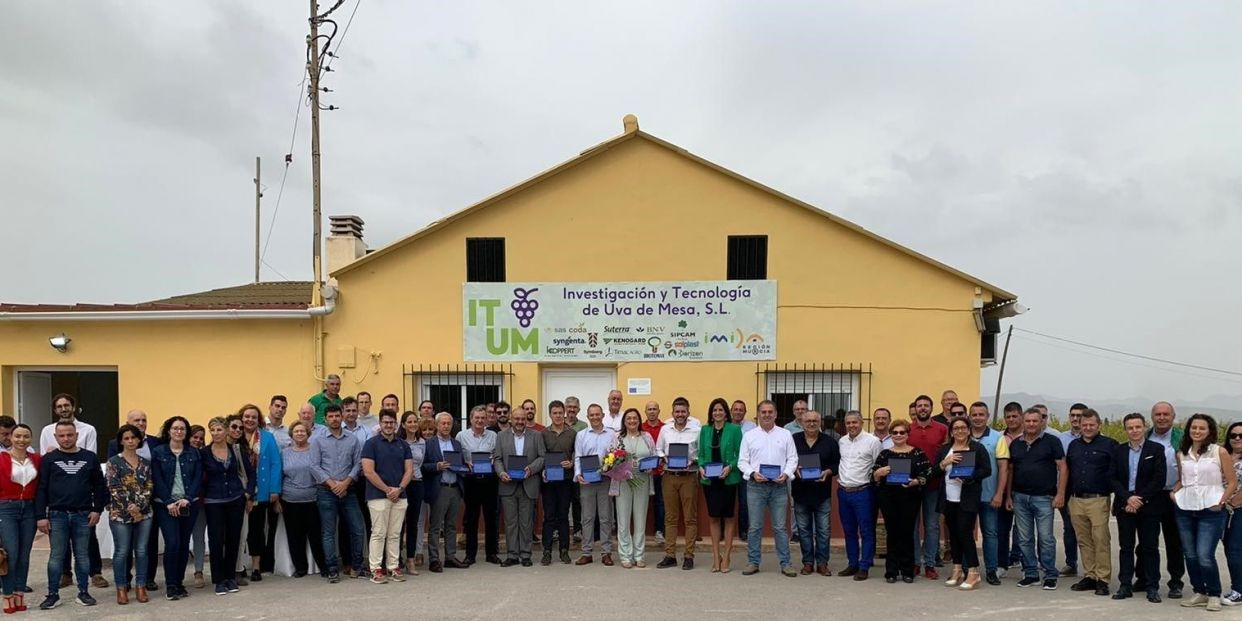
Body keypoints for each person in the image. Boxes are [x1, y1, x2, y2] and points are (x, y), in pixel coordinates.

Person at [34, 419, 107, 609]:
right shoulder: (49, 460)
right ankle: (52, 594)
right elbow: (41, 488)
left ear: (77, 435)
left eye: (70, 435)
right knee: (56, 556)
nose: (66, 438)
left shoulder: (89, 457)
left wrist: (97, 509)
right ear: (56, 437)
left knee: (82, 556)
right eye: (62, 435)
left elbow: (100, 486)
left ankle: (83, 592)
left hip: (83, 515)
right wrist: (41, 515)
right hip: (57, 515)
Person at [1172, 414, 1238, 611]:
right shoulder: (1181, 453)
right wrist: (1173, 493)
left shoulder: (1219, 452)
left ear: (1210, 431)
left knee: (1204, 554)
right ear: (1188, 430)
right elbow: (1182, 480)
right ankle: (1200, 591)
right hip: (1185, 508)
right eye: (1194, 428)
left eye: (1202, 428)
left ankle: (1214, 594)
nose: (1197, 431)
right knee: (1190, 555)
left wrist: (1222, 500)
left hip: (1211, 509)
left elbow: (1232, 481)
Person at [1110, 413, 1168, 603]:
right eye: (1130, 427)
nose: (1134, 431)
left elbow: (1158, 479)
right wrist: (1128, 498)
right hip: (1124, 506)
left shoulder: (1156, 449)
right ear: (1125, 429)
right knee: (1125, 547)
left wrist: (1139, 499)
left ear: (1144, 427)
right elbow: (1113, 478)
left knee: (1150, 548)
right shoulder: (1118, 451)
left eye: (1137, 427)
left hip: (1149, 506)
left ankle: (1152, 587)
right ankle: (1125, 585)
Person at [1007, 407, 1067, 590]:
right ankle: (1031, 573)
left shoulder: (1052, 442)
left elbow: (1062, 467)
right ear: (1023, 422)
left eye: (1035, 421)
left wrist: (1060, 493)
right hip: (1020, 497)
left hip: (1044, 498)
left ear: (1042, 422)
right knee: (1024, 538)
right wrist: (1009, 495)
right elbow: (1010, 471)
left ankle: (1050, 574)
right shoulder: (1016, 444)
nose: (1031, 424)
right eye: (1028, 421)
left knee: (1046, 538)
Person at [738, 400, 798, 576]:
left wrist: (786, 474)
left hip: (779, 487)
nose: (766, 415)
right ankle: (753, 562)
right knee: (755, 527)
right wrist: (752, 473)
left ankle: (785, 563)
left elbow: (792, 458)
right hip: (756, 486)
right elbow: (742, 460)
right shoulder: (749, 436)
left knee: (780, 527)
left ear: (776, 414)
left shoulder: (786, 434)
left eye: (770, 412)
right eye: (763, 412)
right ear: (758, 414)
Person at [931, 416, 991, 590]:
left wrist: (968, 476)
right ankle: (957, 569)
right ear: (951, 431)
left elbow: (986, 470)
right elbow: (934, 472)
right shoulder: (945, 450)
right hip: (949, 499)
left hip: (968, 499)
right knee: (954, 535)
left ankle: (973, 572)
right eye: (956, 428)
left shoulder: (977, 448)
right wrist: (945, 463)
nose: (960, 431)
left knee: (965, 534)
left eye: (963, 427)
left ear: (968, 429)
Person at [1064, 408, 1118, 596]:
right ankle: (1090, 575)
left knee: (1101, 539)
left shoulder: (1110, 445)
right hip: (1076, 499)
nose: (1087, 428)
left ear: (1099, 425)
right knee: (1084, 540)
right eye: (1084, 425)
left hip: (1098, 499)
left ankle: (1102, 579)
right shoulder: (1074, 446)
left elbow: (1117, 473)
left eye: (1091, 425)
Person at [309, 403, 366, 582]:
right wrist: (333, 484)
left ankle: (357, 566)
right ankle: (332, 568)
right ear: (325, 419)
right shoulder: (317, 440)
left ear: (341, 417)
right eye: (330, 416)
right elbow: (314, 466)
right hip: (326, 491)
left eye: (337, 416)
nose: (334, 419)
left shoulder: (352, 439)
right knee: (328, 532)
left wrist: (346, 482)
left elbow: (358, 463)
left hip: (348, 490)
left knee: (357, 529)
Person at [201, 416, 255, 596]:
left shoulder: (236, 450)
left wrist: (247, 492)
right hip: (213, 501)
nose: (216, 433)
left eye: (219, 429)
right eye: (212, 430)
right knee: (216, 541)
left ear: (226, 431)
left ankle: (231, 577)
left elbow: (250, 473)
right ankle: (218, 580)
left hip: (235, 499)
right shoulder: (204, 453)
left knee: (234, 539)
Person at [874, 420, 932, 583]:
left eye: (902, 432)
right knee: (892, 533)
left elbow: (927, 472)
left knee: (907, 533)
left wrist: (916, 481)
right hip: (888, 499)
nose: (898, 435)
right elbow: (874, 476)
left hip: (910, 498)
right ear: (891, 435)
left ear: (907, 434)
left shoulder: (917, 453)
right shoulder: (884, 454)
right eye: (895, 432)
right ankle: (891, 571)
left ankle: (907, 570)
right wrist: (879, 472)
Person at [360, 410, 414, 583]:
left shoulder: (403, 445)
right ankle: (375, 569)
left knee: (395, 534)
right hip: (378, 496)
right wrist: (387, 490)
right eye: (385, 422)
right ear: (380, 424)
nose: (389, 425)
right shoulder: (371, 444)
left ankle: (393, 567)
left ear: (396, 424)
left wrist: (399, 489)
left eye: (392, 422)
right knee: (378, 533)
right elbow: (368, 471)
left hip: (400, 495)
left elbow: (409, 470)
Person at [151, 417, 201, 601]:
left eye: (182, 429)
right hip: (166, 506)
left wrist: (188, 499)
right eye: (175, 428)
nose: (179, 432)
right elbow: (157, 479)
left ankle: (179, 583)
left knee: (183, 544)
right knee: (172, 543)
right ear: (169, 431)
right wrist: (168, 501)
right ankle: (171, 585)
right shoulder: (158, 452)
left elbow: (197, 478)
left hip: (188, 504)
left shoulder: (194, 453)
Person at [1142, 401, 1186, 599]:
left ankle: (1175, 582)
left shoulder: (1182, 438)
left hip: (1174, 494)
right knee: (1146, 541)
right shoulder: (1145, 436)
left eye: (1165, 414)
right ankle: (1144, 578)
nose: (1161, 418)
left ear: (1173, 417)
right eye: (1158, 414)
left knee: (1173, 542)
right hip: (1151, 495)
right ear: (1152, 417)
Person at [105, 424, 154, 605]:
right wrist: (131, 508)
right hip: (120, 514)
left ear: (139, 440)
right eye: (126, 438)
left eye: (134, 438)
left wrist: (139, 508)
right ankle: (121, 587)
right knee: (122, 551)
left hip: (144, 515)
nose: (131, 441)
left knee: (141, 551)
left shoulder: (146, 463)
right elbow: (114, 488)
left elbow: (149, 486)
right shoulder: (113, 462)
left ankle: (140, 586)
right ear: (121, 441)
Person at [492, 405, 545, 567]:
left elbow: (542, 457)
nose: (520, 421)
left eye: (522, 418)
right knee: (511, 522)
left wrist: (532, 469)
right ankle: (512, 555)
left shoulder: (536, 436)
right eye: (517, 418)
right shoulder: (501, 436)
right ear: (511, 419)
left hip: (528, 483)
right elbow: (498, 458)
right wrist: (501, 473)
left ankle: (526, 554)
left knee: (526, 522)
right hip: (508, 484)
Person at [965, 402, 1010, 586]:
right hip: (966, 496)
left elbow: (1003, 467)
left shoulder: (997, 438)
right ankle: (969, 569)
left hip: (989, 495)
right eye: (974, 414)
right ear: (969, 416)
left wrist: (999, 493)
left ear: (988, 416)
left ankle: (991, 571)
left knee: (990, 533)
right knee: (966, 533)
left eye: (981, 414)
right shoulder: (963, 436)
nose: (977, 418)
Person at [791, 406, 839, 576]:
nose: (811, 423)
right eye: (808, 421)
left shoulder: (830, 442)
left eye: (815, 421)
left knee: (823, 531)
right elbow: (786, 460)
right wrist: (794, 468)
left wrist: (828, 471)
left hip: (822, 494)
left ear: (820, 423)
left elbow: (837, 464)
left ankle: (823, 563)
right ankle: (808, 563)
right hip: (800, 493)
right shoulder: (793, 440)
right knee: (803, 531)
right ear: (802, 423)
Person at [835, 410, 882, 580]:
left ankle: (865, 565)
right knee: (849, 531)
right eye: (848, 423)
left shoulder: (873, 441)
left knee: (866, 530)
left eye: (854, 422)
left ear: (861, 423)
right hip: (844, 492)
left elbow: (878, 466)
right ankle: (852, 563)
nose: (851, 426)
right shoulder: (842, 441)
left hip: (863, 492)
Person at [239, 403, 283, 581]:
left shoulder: (267, 437)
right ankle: (239, 565)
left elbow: (275, 464)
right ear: (241, 418)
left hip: (261, 491)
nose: (250, 420)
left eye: (254, 417)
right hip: (238, 493)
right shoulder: (235, 436)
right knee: (239, 531)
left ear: (259, 420)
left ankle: (256, 567)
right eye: (247, 416)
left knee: (257, 529)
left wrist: (275, 489)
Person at [655, 397, 699, 570]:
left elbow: (700, 452)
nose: (680, 414)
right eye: (677, 411)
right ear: (672, 413)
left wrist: (692, 460)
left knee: (690, 518)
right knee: (670, 518)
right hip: (669, 476)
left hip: (688, 476)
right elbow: (658, 448)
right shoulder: (665, 429)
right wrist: (663, 457)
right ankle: (670, 554)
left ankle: (689, 556)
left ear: (688, 412)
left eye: (683, 411)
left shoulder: (697, 430)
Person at [698, 399, 742, 573]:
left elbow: (741, 455)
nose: (717, 413)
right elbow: (701, 454)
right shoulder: (705, 430)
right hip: (710, 480)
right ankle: (716, 556)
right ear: (711, 413)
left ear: (726, 412)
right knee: (714, 517)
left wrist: (730, 467)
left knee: (729, 517)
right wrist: (700, 466)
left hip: (728, 479)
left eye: (721, 410)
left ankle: (727, 555)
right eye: (714, 410)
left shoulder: (735, 430)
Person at [908, 394, 948, 579]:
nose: (922, 408)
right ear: (915, 409)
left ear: (932, 408)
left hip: (934, 485)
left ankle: (930, 564)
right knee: (913, 526)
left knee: (932, 526)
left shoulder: (942, 429)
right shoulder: (907, 429)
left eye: (926, 405)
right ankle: (915, 562)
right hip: (911, 485)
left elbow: (947, 454)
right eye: (919, 405)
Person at [0, 424, 39, 613]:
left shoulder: (36, 459)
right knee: (11, 554)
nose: (21, 440)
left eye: (25, 436)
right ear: (11, 437)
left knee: (24, 556)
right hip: (6, 508)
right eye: (17, 436)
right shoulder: (1, 459)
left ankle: (19, 594)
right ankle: (7, 595)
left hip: (29, 509)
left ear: (30, 439)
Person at [281, 420, 327, 578]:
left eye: (302, 431)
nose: (299, 433)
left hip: (313, 499)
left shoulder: (315, 450)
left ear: (308, 434)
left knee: (316, 536)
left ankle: (324, 566)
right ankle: (300, 567)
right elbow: (280, 475)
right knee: (295, 536)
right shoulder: (285, 453)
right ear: (291, 434)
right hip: (289, 500)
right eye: (296, 431)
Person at [456, 405, 500, 565]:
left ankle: (491, 553)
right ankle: (470, 554)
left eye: (483, 418)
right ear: (471, 419)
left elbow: (498, 454)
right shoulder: (461, 436)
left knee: (491, 518)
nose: (480, 421)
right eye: (477, 418)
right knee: (471, 518)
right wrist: (464, 462)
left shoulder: (494, 435)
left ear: (486, 419)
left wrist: (494, 460)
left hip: (489, 480)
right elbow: (458, 457)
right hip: (471, 481)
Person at [423, 412, 466, 572]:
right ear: (437, 425)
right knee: (435, 526)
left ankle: (450, 557)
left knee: (451, 525)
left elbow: (460, 463)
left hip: (455, 488)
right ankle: (434, 559)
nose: (446, 426)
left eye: (449, 423)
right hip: (439, 488)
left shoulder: (456, 444)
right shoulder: (429, 444)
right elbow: (422, 466)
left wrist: (464, 466)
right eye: (443, 423)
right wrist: (436, 466)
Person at [611, 408, 654, 569]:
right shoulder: (617, 437)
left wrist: (651, 466)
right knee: (623, 519)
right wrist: (618, 467)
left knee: (640, 519)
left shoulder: (647, 437)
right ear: (624, 421)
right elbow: (610, 459)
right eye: (628, 418)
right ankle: (625, 555)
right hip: (623, 481)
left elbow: (653, 455)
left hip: (642, 480)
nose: (632, 421)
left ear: (639, 420)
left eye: (635, 418)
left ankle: (639, 555)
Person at [574, 404, 616, 565]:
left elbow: (616, 454)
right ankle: (587, 552)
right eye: (592, 415)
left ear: (602, 415)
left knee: (606, 517)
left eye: (597, 414)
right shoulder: (581, 435)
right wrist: (578, 474)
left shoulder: (611, 434)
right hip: (587, 481)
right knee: (587, 517)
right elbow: (578, 457)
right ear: (588, 416)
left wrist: (612, 470)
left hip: (605, 480)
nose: (595, 417)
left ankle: (606, 553)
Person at [338, 397, 371, 576]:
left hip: (363, 481)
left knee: (365, 521)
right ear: (343, 412)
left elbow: (367, 455)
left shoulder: (365, 432)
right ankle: (347, 561)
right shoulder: (337, 431)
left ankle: (365, 559)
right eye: (348, 411)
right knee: (345, 524)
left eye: (353, 410)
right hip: (344, 483)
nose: (351, 414)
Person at [541, 401, 576, 565]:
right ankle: (546, 551)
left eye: (560, 413)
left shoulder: (572, 433)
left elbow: (577, 453)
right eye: (554, 413)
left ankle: (564, 551)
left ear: (564, 413)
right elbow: (541, 455)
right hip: (548, 481)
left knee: (563, 516)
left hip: (566, 480)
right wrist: (544, 471)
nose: (558, 416)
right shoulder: (543, 433)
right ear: (550, 415)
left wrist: (573, 462)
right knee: (549, 516)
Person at [1056, 403, 1087, 578]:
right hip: (1065, 490)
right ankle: (1071, 563)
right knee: (1069, 528)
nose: (1076, 419)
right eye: (1073, 415)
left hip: (1087, 490)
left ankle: (1093, 566)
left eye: (1080, 415)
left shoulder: (1098, 438)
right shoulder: (1061, 438)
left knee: (1088, 530)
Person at [997, 401, 1025, 577]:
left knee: (1024, 531)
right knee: (1002, 529)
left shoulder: (1030, 436)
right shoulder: (1000, 438)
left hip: (1024, 490)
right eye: (1008, 417)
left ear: (1021, 416)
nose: (1012, 419)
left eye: (1015, 416)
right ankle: (1002, 564)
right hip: (1003, 489)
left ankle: (1026, 565)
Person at [398, 412, 427, 575]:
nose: (413, 424)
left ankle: (411, 559)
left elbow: (421, 464)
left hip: (416, 484)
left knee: (413, 523)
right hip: (401, 485)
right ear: (403, 424)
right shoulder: (397, 442)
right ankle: (396, 560)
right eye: (409, 421)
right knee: (398, 524)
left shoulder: (422, 442)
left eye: (415, 421)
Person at [1220, 422, 1242, 606]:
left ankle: (1239, 590)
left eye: (1241, 436)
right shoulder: (1223, 455)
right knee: (1229, 549)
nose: (1237, 439)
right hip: (1222, 510)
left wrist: (1235, 501)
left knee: (1235, 549)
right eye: (1233, 435)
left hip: (1239, 510)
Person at [186, 425, 209, 589]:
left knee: (200, 538)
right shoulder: (182, 454)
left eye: (201, 438)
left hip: (205, 501)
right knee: (186, 538)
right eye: (195, 437)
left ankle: (199, 570)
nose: (198, 440)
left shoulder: (205, 455)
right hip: (187, 503)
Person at [641, 401, 667, 546]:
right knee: (641, 503)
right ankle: (640, 532)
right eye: (649, 409)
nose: (652, 411)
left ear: (659, 411)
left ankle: (659, 531)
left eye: (654, 409)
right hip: (644, 473)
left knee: (660, 503)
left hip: (660, 472)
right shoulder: (640, 428)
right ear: (645, 412)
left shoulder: (665, 428)